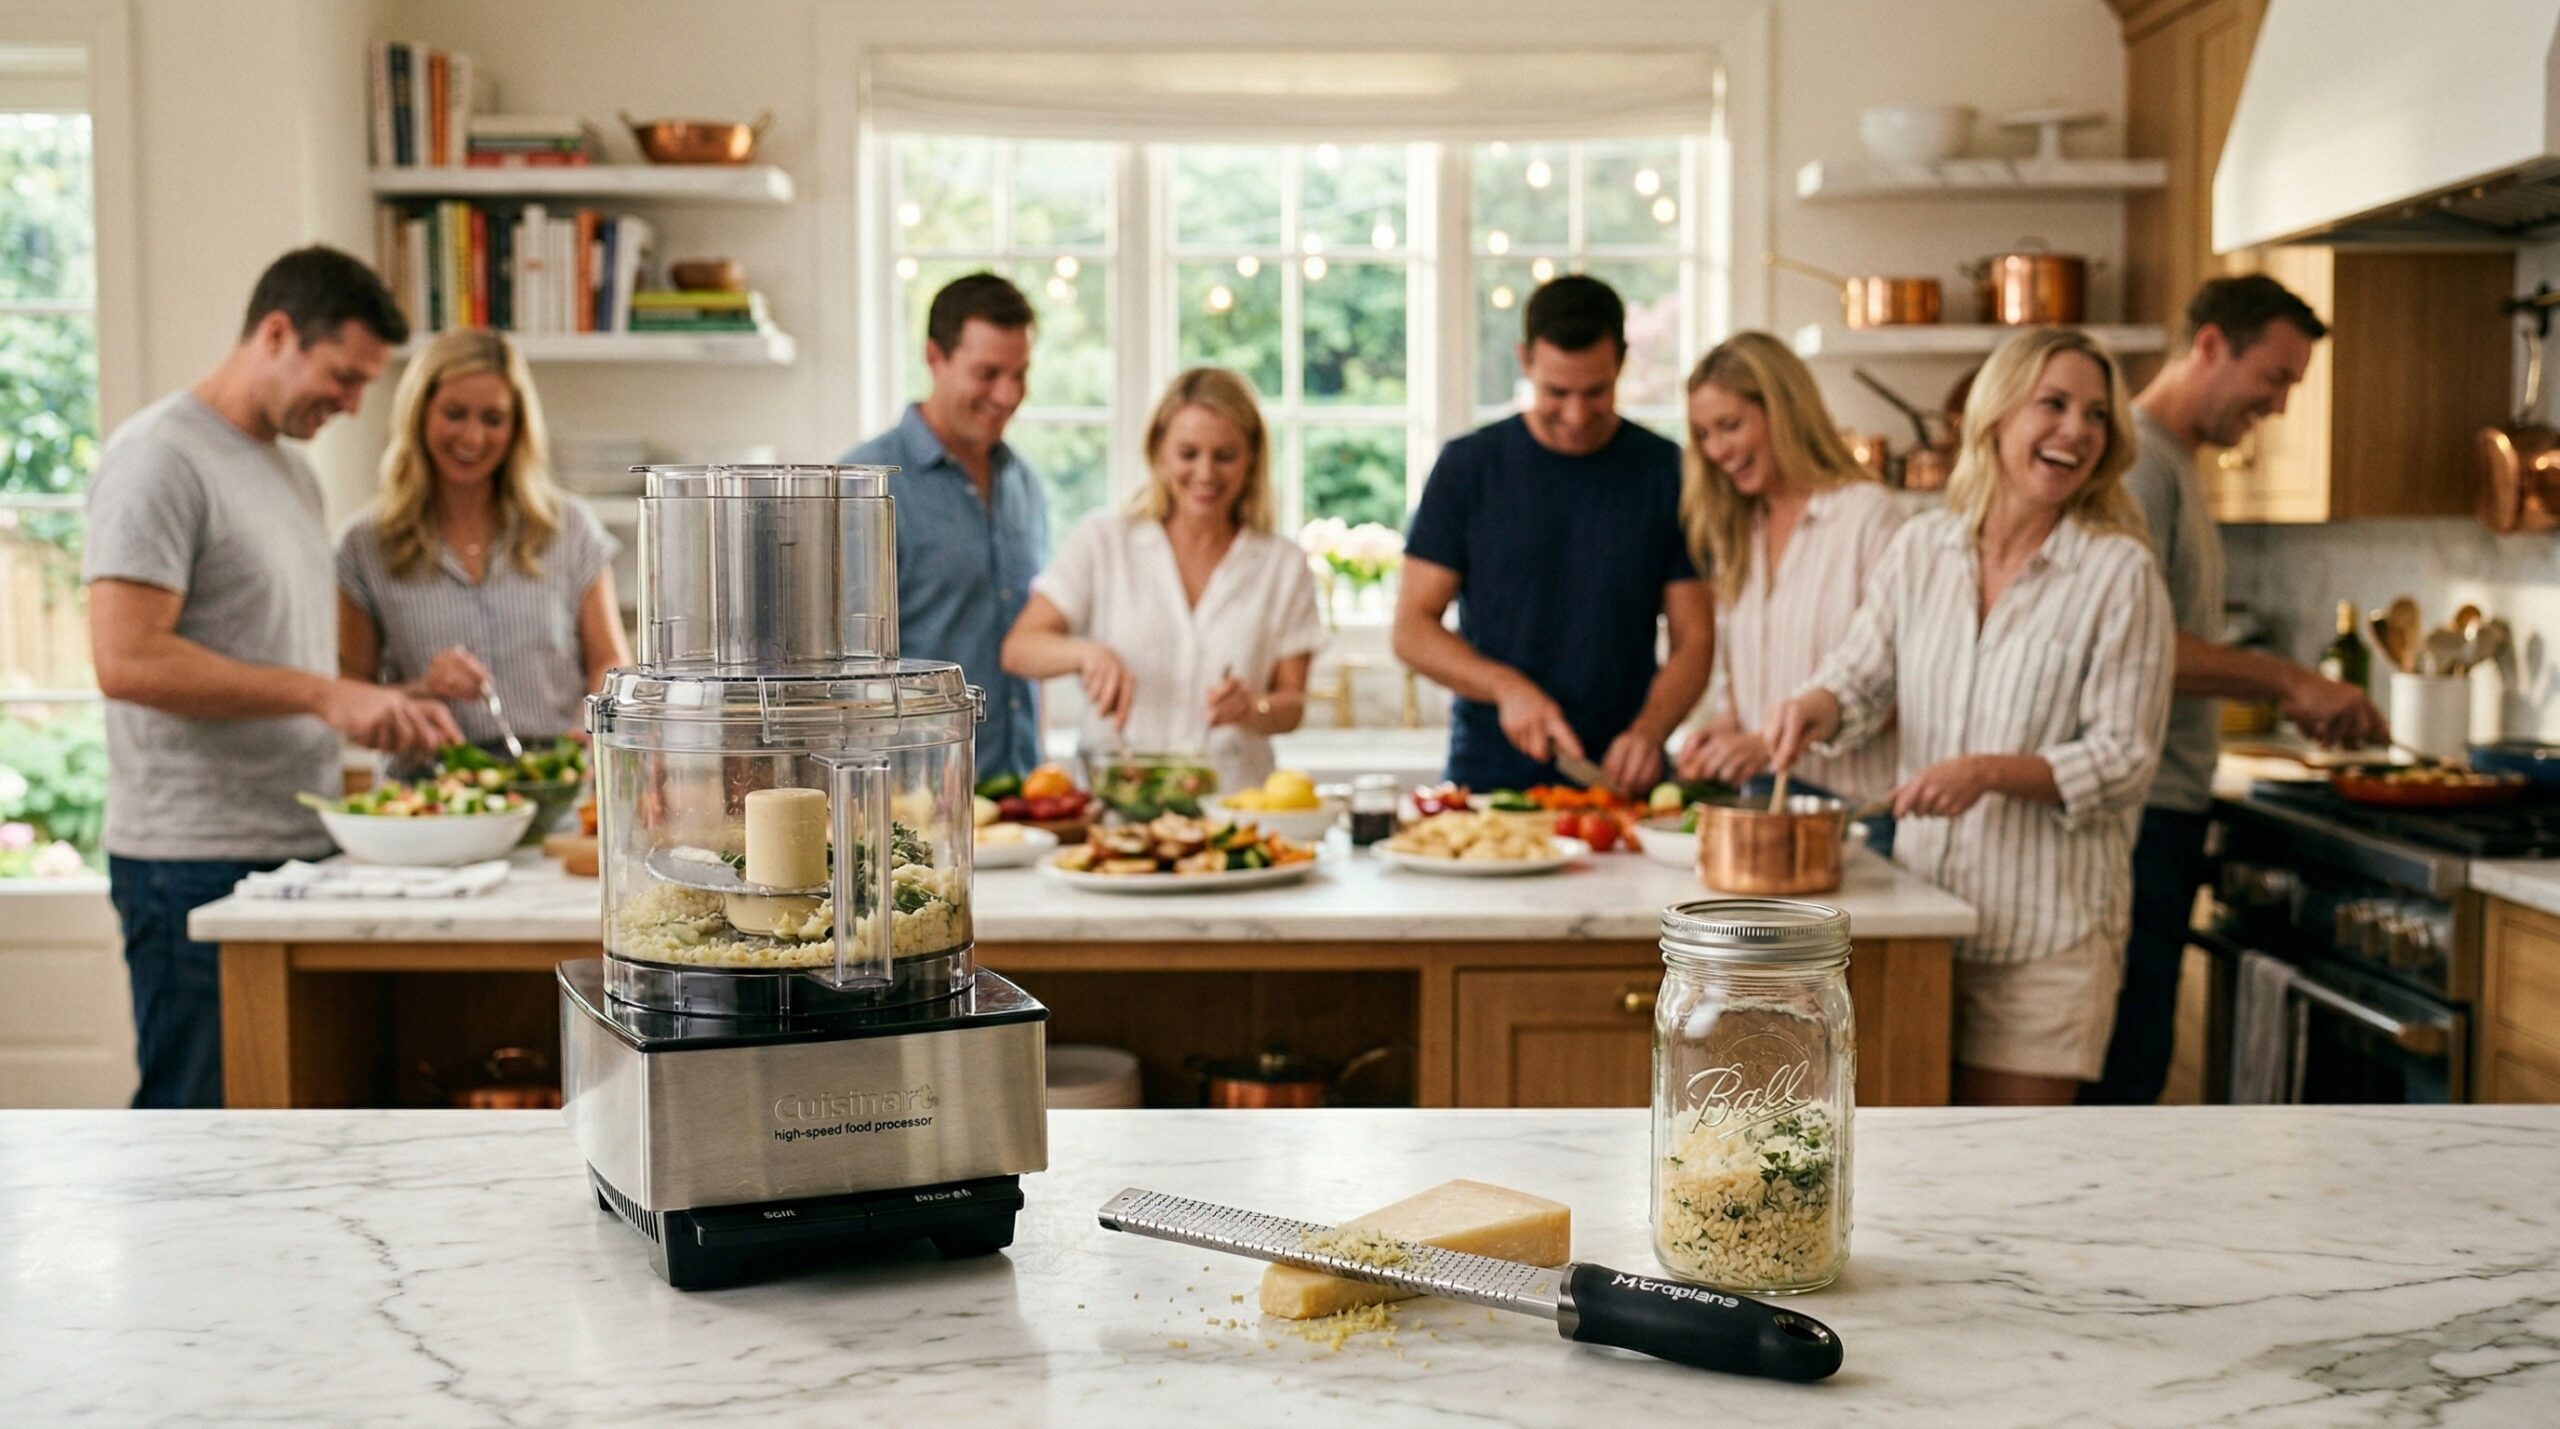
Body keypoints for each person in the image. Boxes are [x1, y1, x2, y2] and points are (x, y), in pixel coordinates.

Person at [84, 246, 460, 1109]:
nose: (353, 403)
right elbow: (127, 658)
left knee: (292, 1124)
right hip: (191, 859)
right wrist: (329, 693)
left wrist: (395, 699)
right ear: (277, 331)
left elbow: (277, 664)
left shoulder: (291, 471)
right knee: (198, 1124)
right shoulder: (158, 459)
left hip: (294, 843)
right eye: (343, 375)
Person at [1765, 327, 2175, 1107]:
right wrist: (1815, 704)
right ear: (1995, 416)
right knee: (1915, 1169)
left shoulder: (2119, 572)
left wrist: (1988, 772)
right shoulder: (1922, 549)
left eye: (2095, 415)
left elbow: (2124, 757)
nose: (2077, 430)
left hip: (2046, 940)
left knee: (2007, 1178)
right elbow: (1860, 674)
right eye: (2052, 404)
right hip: (1923, 922)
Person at [2083, 275, 2387, 1106]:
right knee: (2127, 1069)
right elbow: (2136, 649)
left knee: (2136, 1059)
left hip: (2166, 805)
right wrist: (2290, 679)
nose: (2282, 406)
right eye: (2276, 378)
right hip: (2142, 810)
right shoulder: (2142, 464)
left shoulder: (2174, 463)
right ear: (2211, 345)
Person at [1394, 275, 1712, 793]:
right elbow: (1411, 628)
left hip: (1619, 779)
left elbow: (1695, 640)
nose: (1576, 415)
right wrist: (1505, 687)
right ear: (1525, 360)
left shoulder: (1666, 473)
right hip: (1487, 781)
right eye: (1556, 392)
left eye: (1596, 392)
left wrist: (1650, 732)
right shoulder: (1468, 468)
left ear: (1622, 361)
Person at [1000, 368, 1324, 791]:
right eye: (1188, 454)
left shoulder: (1283, 564)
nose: (1205, 474)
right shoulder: (1103, 542)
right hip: (1117, 810)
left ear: (1251, 459)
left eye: (1225, 455)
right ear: (1158, 451)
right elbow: (1019, 650)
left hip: (1233, 811)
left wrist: (1251, 706)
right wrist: (1086, 654)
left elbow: (1292, 704)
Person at [336, 328, 630, 761]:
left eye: (493, 419)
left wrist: (591, 731)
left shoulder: (568, 527)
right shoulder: (364, 545)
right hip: (429, 796)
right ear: (419, 414)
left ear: (516, 429)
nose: (472, 438)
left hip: (557, 787)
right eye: (454, 414)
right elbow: (347, 702)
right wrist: (422, 689)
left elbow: (610, 664)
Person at [1673, 332, 1905, 813]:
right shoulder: (1740, 529)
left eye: (1730, 425)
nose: (1716, 449)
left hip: (1856, 809)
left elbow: (1897, 690)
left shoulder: (1868, 517)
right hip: (1765, 799)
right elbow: (1745, 691)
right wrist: (1721, 734)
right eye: (1703, 435)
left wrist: (1766, 742)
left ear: (1783, 410)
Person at [843, 272, 1047, 779]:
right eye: (987, 373)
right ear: (934, 356)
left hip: (1020, 790)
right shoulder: (865, 486)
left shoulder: (1024, 483)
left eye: (1020, 374)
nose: (1008, 394)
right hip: (912, 801)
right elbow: (837, 669)